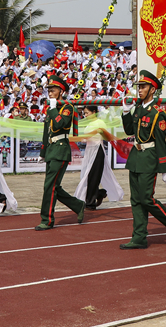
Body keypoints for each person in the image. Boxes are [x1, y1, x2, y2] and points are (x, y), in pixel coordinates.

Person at [120, 70, 166, 249]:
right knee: (136, 200)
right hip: (136, 158)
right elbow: (130, 131)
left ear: (152, 89)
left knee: (146, 199)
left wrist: (165, 169)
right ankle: (139, 236)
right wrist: (125, 112)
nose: (139, 90)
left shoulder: (158, 113)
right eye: (139, 87)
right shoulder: (139, 108)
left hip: (149, 159)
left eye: (143, 87)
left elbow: (161, 143)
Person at [35, 75, 86, 230]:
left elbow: (59, 125)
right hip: (51, 150)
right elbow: (47, 132)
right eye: (48, 90)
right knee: (53, 186)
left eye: (53, 90)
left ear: (61, 91)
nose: (50, 93)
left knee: (49, 186)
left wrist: (52, 109)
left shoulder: (67, 107)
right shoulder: (52, 108)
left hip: (60, 149)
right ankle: (78, 205)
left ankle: (47, 219)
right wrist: (42, 152)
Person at [73, 105, 124, 209]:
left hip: (97, 150)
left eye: (87, 113)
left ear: (94, 112)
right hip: (89, 151)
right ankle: (99, 193)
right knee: (87, 176)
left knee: (93, 176)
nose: (85, 115)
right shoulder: (89, 124)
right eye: (84, 113)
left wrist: (98, 132)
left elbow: (106, 137)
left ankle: (90, 202)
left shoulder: (100, 123)